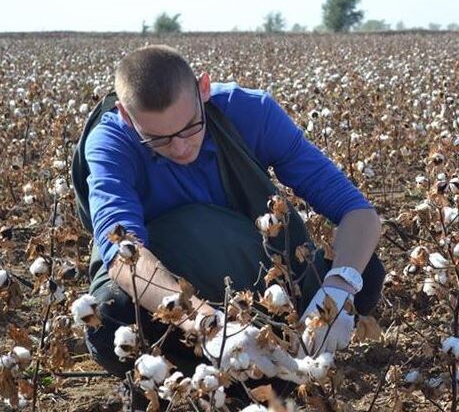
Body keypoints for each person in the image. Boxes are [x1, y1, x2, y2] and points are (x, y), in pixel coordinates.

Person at [77, 45, 384, 386]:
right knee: (108, 317)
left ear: (203, 88)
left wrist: (338, 290)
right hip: (170, 276)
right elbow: (124, 256)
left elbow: (358, 212)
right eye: (157, 139)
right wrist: (207, 324)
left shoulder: (250, 112)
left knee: (363, 272)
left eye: (190, 127)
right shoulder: (109, 143)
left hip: (247, 265)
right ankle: (220, 381)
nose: (180, 148)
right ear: (124, 114)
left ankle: (274, 359)